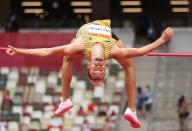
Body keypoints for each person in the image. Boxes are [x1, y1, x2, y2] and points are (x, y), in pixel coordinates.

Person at [6, 19, 174, 128]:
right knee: (129, 63)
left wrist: (19, 50)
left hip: (84, 33)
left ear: (89, 65)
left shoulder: (79, 47)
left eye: (95, 70)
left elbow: (47, 51)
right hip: (108, 34)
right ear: (106, 67)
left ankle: (65, 100)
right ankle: (131, 109)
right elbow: (140, 50)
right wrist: (162, 39)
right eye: (101, 71)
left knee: (67, 56)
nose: (99, 68)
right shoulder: (112, 51)